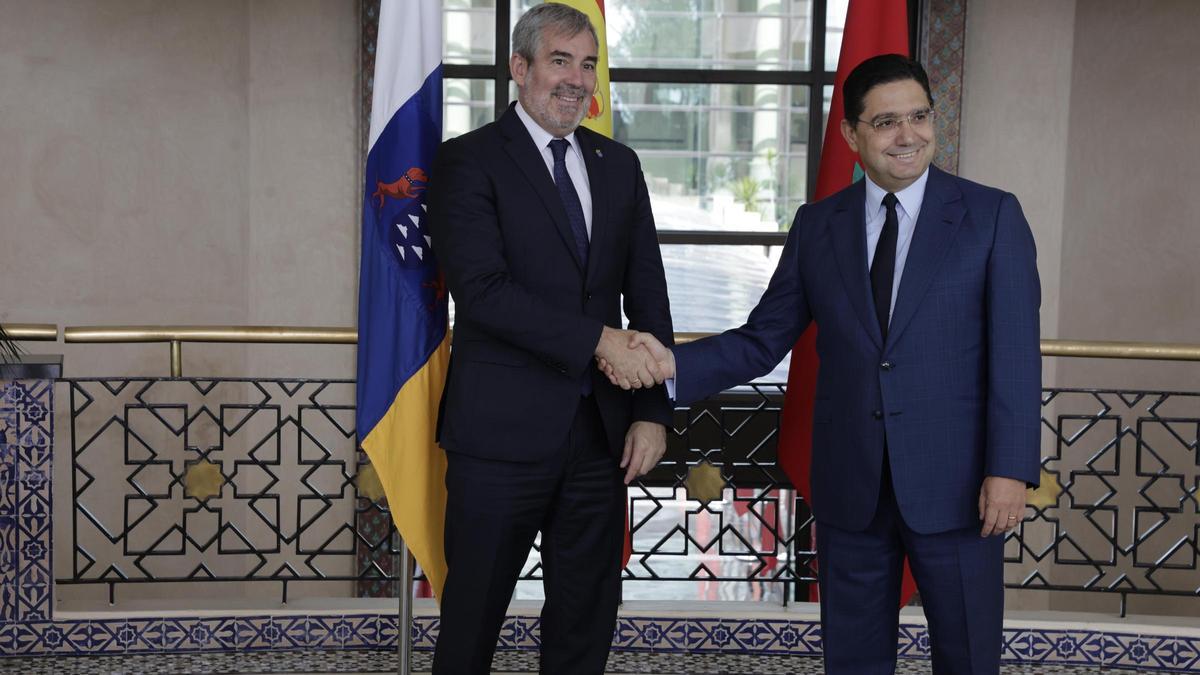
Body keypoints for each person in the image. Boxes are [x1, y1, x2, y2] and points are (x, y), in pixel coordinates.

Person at [605, 54, 1041, 673]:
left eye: (919, 117)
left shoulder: (992, 217)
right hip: (851, 486)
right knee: (853, 659)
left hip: (961, 485)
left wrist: (1010, 470)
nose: (908, 135)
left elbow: (1017, 357)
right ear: (851, 134)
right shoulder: (818, 226)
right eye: (887, 122)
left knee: (968, 656)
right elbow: (763, 339)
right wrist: (668, 365)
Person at [425, 3, 673, 673]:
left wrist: (653, 412)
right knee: (472, 620)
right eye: (560, 60)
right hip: (498, 440)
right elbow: (483, 291)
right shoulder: (466, 162)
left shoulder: (618, 165)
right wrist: (598, 339)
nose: (576, 79)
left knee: (585, 623)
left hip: (600, 438)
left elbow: (647, 294)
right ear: (520, 68)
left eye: (587, 64)